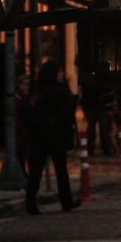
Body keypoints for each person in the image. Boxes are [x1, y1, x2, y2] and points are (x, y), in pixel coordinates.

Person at [23, 60, 77, 215]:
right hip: (55, 136)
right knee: (60, 170)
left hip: (38, 136)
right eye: (60, 71)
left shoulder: (36, 89)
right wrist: (68, 134)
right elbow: (65, 115)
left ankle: (30, 203)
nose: (62, 74)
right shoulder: (59, 91)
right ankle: (66, 202)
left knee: (36, 171)